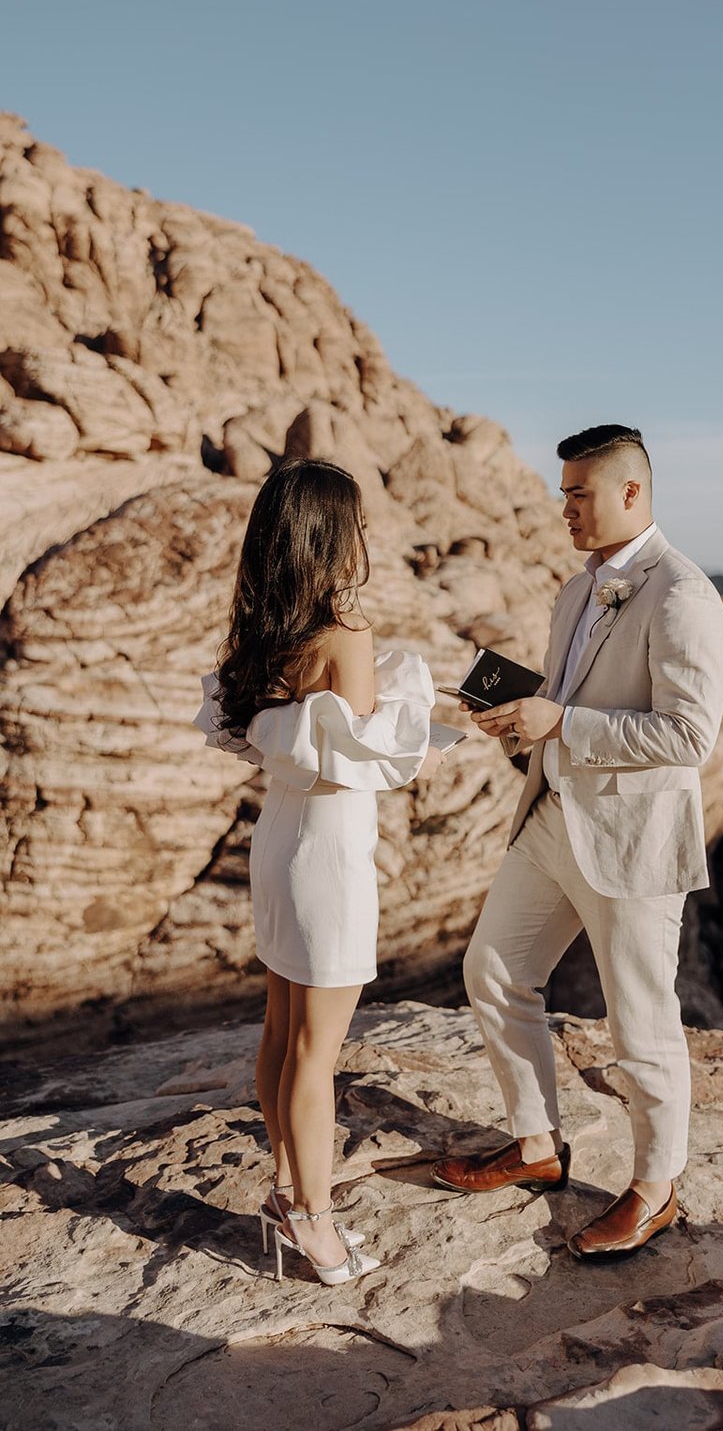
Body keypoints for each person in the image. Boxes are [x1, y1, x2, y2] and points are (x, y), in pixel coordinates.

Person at [431, 425, 723, 1260]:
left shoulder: (682, 595)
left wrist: (562, 720)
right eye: (562, 491)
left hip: (631, 841)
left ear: (632, 493)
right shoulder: (576, 591)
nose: (563, 508)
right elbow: (565, 704)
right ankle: (536, 1145)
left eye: (578, 493)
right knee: (492, 969)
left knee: (640, 1019)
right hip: (553, 819)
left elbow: (687, 736)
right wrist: (522, 724)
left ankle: (655, 1186)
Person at [194, 458, 442, 1286]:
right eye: (358, 525)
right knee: (317, 1052)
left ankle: (283, 1189)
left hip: (278, 845)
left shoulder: (268, 637)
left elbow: (303, 743)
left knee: (280, 1028)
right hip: (330, 857)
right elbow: (359, 760)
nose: (366, 539)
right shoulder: (347, 635)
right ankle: (315, 1220)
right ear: (331, 538)